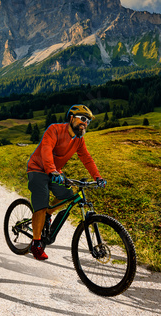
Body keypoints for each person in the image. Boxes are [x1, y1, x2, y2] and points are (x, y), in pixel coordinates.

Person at [27, 104, 106, 260]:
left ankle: (48, 215)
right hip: (37, 169)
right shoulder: (54, 129)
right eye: (82, 119)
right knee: (41, 205)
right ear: (71, 118)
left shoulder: (78, 140)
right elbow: (46, 149)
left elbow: (86, 158)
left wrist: (98, 177)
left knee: (68, 195)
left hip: (55, 172)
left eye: (88, 121)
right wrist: (52, 170)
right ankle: (36, 244)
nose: (85, 124)